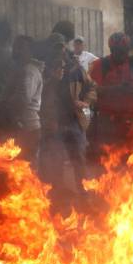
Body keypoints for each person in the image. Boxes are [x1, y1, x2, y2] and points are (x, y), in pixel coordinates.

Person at [40, 42, 93, 194]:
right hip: (56, 123)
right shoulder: (47, 74)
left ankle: (81, 187)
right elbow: (45, 100)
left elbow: (88, 88)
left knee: (78, 157)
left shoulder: (74, 70)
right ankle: (59, 189)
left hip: (73, 121)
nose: (61, 57)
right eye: (57, 53)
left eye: (62, 53)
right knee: (56, 157)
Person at [88, 32, 133, 151]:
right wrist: (117, 89)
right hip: (107, 123)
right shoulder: (100, 64)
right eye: (118, 51)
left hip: (131, 121)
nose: (122, 54)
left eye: (124, 51)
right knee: (107, 158)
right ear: (112, 50)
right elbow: (92, 90)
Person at [4, 34, 45, 166]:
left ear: (30, 51)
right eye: (15, 46)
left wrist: (3, 105)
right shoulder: (21, 69)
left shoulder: (29, 71)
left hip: (26, 127)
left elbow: (23, 99)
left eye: (20, 47)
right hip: (24, 126)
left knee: (24, 169)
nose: (16, 50)